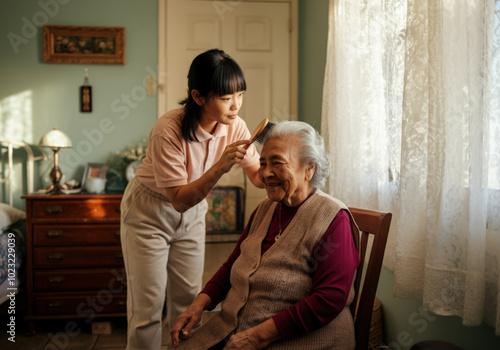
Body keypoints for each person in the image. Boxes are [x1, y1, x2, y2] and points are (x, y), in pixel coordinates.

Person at [170, 121, 360, 350]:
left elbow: (329, 299)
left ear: (309, 168)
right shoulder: (265, 208)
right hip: (237, 327)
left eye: (277, 163)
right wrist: (198, 305)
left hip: (297, 337)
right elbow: (233, 264)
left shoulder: (333, 218)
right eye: (263, 163)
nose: (266, 173)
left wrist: (258, 336)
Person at [120, 49, 264, 350]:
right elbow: (179, 200)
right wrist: (222, 166)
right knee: (147, 307)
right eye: (226, 97)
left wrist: (282, 162)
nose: (236, 104)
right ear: (198, 97)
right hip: (149, 212)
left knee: (190, 304)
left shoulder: (236, 125)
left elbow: (256, 177)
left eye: (240, 94)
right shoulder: (168, 130)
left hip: (194, 213)